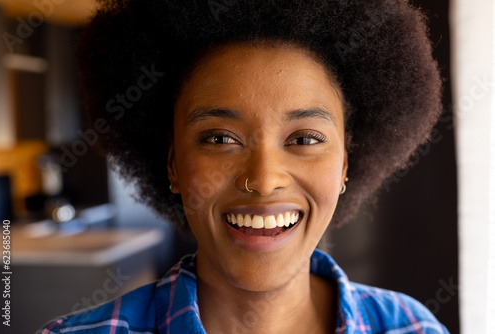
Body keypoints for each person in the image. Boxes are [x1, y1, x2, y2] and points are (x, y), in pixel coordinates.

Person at [37, 0, 449, 333]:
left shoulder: (412, 327)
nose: (265, 179)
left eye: (304, 139)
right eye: (219, 139)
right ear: (174, 165)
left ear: (345, 165)